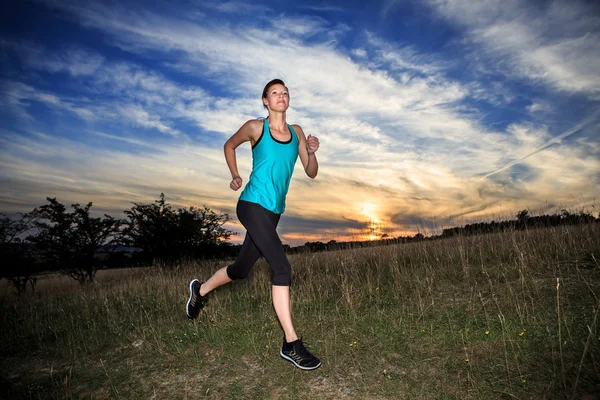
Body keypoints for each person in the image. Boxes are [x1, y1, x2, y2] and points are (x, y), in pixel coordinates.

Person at [186, 79, 321, 370]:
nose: (281, 96)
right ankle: (291, 343)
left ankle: (200, 292)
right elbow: (229, 145)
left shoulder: (297, 132)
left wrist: (312, 151)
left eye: (285, 93)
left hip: (273, 212)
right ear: (265, 100)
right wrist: (235, 175)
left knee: (241, 270)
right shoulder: (255, 127)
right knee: (282, 267)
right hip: (251, 204)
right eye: (275, 93)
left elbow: (311, 172)